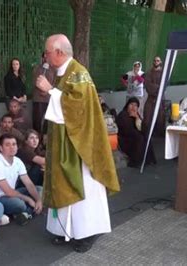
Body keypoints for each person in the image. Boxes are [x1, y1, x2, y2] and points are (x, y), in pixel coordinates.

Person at [35, 34, 120, 253]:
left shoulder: (79, 73)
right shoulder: (65, 73)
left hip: (80, 146)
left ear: (60, 53)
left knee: (83, 185)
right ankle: (65, 231)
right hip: (65, 141)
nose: (45, 56)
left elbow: (78, 109)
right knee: (63, 182)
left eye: (47, 52)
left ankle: (87, 232)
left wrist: (50, 91)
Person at [0, 134, 42, 226]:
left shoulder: (17, 161)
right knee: (19, 204)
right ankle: (26, 211)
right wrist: (28, 199)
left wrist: (38, 199)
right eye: (7, 145)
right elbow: (7, 191)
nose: (12, 147)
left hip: (13, 193)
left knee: (40, 190)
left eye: (14, 144)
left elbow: (28, 183)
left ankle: (25, 213)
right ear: (1, 148)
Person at [116, 97, 156, 168]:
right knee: (139, 137)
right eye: (131, 104)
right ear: (127, 105)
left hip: (134, 137)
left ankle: (148, 160)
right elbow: (127, 131)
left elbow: (144, 128)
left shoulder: (136, 115)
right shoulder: (123, 115)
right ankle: (135, 161)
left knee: (146, 136)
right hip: (125, 139)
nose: (133, 107)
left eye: (135, 105)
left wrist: (137, 118)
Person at [32, 53, 56, 134]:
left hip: (48, 97)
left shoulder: (54, 69)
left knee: (47, 120)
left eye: (48, 56)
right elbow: (35, 80)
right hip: (38, 98)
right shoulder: (37, 68)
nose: (46, 58)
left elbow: (55, 82)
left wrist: (47, 91)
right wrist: (41, 89)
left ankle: (46, 138)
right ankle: (36, 136)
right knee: (37, 119)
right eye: (44, 56)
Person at [143, 56, 165, 137]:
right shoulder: (149, 73)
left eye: (158, 60)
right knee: (147, 116)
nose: (156, 62)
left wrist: (158, 88)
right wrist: (158, 87)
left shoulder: (164, 73)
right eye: (155, 60)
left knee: (160, 117)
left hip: (160, 99)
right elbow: (148, 86)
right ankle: (147, 135)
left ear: (160, 62)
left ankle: (159, 137)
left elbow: (164, 85)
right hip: (150, 98)